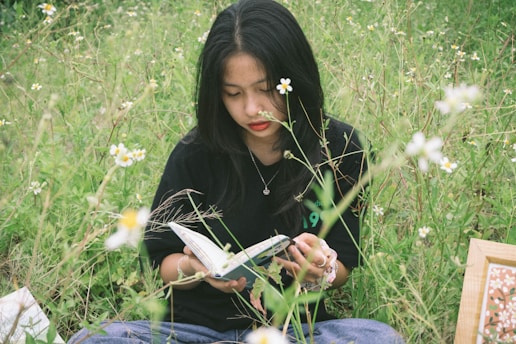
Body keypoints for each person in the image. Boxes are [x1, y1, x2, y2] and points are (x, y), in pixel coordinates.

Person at [69, 0, 404, 343]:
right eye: (233, 94)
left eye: (267, 89)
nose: (252, 109)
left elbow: (343, 261)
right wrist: (195, 269)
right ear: (218, 94)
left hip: (292, 330)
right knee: (91, 339)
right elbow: (159, 261)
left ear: (296, 79)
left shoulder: (341, 146)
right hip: (192, 330)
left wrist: (321, 269)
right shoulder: (195, 152)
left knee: (378, 337)